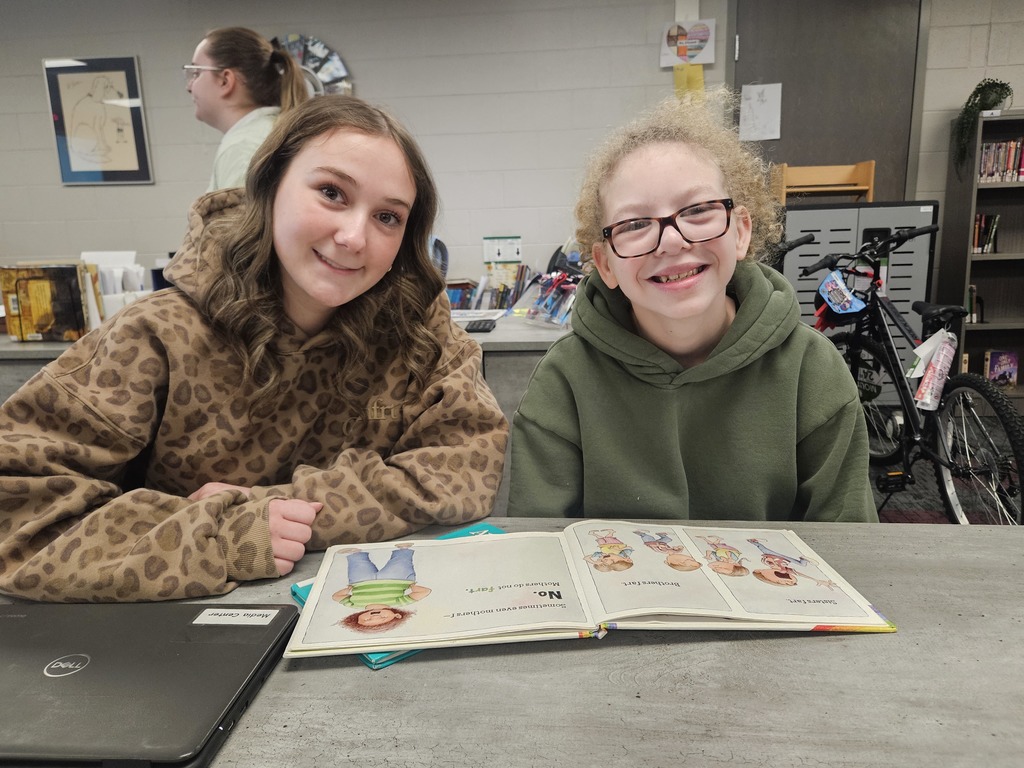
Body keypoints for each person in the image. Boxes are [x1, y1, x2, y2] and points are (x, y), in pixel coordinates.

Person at [0, 94, 508, 602]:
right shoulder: (161, 333)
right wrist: (218, 536)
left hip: (371, 610)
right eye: (332, 192)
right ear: (268, 187)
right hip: (186, 633)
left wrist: (271, 506)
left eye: (388, 217)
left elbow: (463, 471)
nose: (355, 236)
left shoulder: (421, 334)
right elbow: (20, 514)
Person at [508, 88, 876, 523]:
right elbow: (541, 549)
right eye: (635, 223)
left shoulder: (813, 372)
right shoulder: (563, 381)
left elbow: (851, 550)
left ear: (740, 231)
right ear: (604, 263)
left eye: (698, 210)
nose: (672, 240)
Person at [185, 26, 309, 192]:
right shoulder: (274, 130)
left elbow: (241, 219)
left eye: (196, 73)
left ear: (225, 80)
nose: (189, 87)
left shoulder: (242, 148)